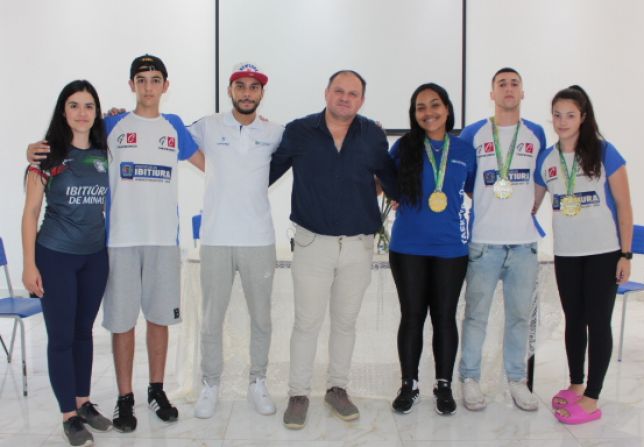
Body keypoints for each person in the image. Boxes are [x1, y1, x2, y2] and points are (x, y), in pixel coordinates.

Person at [27, 54, 204, 433]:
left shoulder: (175, 127)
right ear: (132, 84)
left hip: (163, 242)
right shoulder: (110, 125)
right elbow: (65, 142)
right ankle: (125, 398)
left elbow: (213, 164)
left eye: (156, 79)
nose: (148, 86)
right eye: (141, 79)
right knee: (122, 324)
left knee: (159, 320)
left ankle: (156, 390)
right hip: (119, 243)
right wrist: (32, 151)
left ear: (166, 86)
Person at [269, 70, 397, 429]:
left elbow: (388, 178)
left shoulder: (372, 134)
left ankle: (337, 388)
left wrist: (405, 195)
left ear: (361, 100)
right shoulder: (299, 131)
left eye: (352, 93)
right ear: (326, 92)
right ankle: (298, 394)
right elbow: (265, 172)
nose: (345, 97)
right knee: (306, 322)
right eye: (338, 90)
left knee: (345, 322)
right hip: (312, 244)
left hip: (358, 245)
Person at [188, 62, 283, 419]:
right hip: (215, 238)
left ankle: (257, 381)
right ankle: (210, 384)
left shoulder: (274, 132)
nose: (246, 93)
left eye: (253, 87)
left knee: (262, 318)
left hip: (258, 239)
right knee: (212, 318)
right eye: (240, 86)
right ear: (230, 91)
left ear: (261, 93)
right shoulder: (208, 126)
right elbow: (170, 138)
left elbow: (314, 139)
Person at [533, 85, 633, 424]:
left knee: (597, 321)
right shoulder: (547, 159)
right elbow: (529, 206)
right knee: (573, 320)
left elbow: (624, 206)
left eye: (570, 115)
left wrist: (626, 254)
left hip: (603, 253)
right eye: (557, 115)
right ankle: (576, 384)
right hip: (567, 254)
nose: (562, 122)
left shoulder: (605, 153)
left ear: (583, 117)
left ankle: (592, 396)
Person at [22, 80, 112, 446]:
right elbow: (30, 213)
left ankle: (83, 401)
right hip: (56, 257)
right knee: (61, 338)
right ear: (63, 111)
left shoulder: (105, 153)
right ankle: (68, 416)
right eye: (73, 105)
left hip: (94, 258)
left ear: (96, 112)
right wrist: (29, 265)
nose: (81, 112)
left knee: (83, 333)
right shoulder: (46, 156)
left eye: (88, 105)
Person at [458, 67, 546, 411]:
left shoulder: (536, 132)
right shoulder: (473, 134)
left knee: (520, 316)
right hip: (484, 243)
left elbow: (542, 175)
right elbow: (464, 180)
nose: (508, 89)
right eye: (501, 84)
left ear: (523, 93)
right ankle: (470, 378)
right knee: (476, 315)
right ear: (491, 93)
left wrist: (533, 202)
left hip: (523, 245)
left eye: (515, 84)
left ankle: (516, 380)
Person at [388, 83, 476, 415]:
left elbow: (473, 191)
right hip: (408, 246)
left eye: (434, 105)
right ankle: (409, 384)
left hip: (451, 248)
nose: (428, 112)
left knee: (444, 317)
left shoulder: (465, 150)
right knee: (412, 316)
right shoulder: (404, 147)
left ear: (447, 109)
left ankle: (444, 385)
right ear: (414, 115)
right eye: (420, 107)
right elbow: (385, 181)